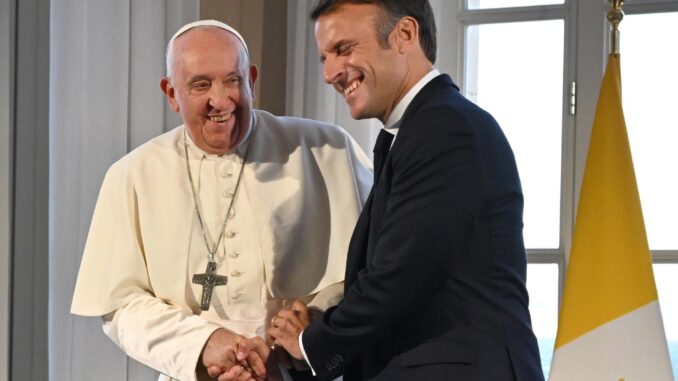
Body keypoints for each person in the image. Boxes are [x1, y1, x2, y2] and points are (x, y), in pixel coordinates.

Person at [70, 19, 372, 381]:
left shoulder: (326, 149)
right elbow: (120, 305)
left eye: (233, 80)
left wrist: (316, 324)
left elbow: (375, 268)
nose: (221, 99)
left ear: (252, 81)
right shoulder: (132, 175)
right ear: (171, 93)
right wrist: (205, 343)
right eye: (201, 85)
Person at [267, 1, 544, 380]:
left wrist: (310, 343)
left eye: (344, 49)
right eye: (323, 58)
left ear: (405, 35)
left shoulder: (446, 129)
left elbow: (398, 277)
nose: (331, 73)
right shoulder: (418, 131)